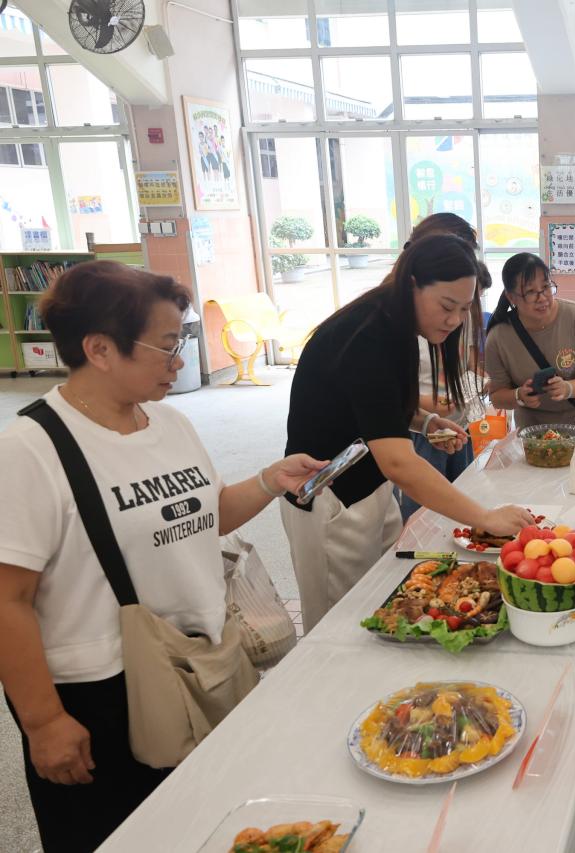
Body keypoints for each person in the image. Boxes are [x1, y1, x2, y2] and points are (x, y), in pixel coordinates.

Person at [0, 262, 328, 852]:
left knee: (206, 821)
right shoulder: (28, 451)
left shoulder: (170, 422)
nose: (180, 361)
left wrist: (268, 480)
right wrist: (44, 722)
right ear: (100, 349)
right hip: (103, 689)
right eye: (168, 344)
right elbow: (7, 600)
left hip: (199, 659)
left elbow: (205, 517)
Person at [282, 235, 534, 631]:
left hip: (369, 485)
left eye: (463, 309)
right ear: (412, 283)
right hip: (331, 496)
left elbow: (374, 404)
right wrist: (484, 518)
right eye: (446, 306)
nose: (454, 320)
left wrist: (424, 422)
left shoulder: (395, 325)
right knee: (340, 630)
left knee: (387, 606)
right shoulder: (367, 335)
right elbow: (399, 463)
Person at [396, 213, 491, 521]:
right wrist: (428, 411)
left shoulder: (459, 310)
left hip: (451, 424)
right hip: (418, 433)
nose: (455, 319)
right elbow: (388, 403)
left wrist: (474, 388)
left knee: (458, 504)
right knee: (421, 518)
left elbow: (472, 359)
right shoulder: (391, 324)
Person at [485, 253, 575, 429]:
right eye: (530, 292)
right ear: (511, 297)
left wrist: (568, 388)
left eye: (546, 287)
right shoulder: (498, 336)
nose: (542, 298)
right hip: (532, 431)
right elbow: (497, 396)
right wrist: (519, 395)